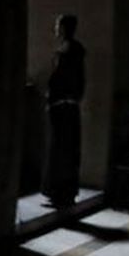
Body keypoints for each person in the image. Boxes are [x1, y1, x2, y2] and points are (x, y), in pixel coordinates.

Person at [43, 13, 86, 207]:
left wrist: (50, 99)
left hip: (60, 106)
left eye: (57, 25)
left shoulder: (63, 51)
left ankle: (58, 193)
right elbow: (81, 82)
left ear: (63, 28)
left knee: (59, 150)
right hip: (73, 106)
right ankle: (68, 192)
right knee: (70, 150)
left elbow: (56, 80)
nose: (55, 29)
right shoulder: (78, 51)